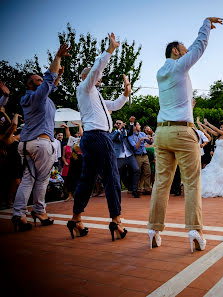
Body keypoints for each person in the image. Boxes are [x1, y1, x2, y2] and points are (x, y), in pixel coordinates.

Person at [148, 17, 223, 253]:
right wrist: (205, 25)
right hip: (182, 131)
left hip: (161, 132)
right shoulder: (178, 65)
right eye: (183, 48)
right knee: (191, 183)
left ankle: (153, 230)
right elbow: (199, 47)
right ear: (174, 50)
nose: (186, 50)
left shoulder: (161, 72)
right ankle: (194, 231)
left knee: (161, 183)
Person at [68, 33, 131, 241]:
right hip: (98, 137)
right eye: (95, 77)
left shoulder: (95, 95)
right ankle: (116, 221)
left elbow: (113, 106)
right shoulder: (85, 88)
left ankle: (76, 219)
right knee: (112, 178)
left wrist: (126, 93)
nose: (99, 79)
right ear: (87, 77)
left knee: (87, 180)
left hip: (92, 139)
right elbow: (96, 70)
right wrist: (110, 50)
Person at [11, 44, 70, 232]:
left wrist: (59, 75)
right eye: (37, 79)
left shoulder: (29, 98)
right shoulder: (37, 96)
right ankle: (39, 210)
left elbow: (51, 85)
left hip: (27, 143)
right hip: (41, 143)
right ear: (31, 84)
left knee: (28, 179)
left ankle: (19, 214)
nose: (41, 79)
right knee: (42, 180)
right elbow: (48, 81)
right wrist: (57, 57)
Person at [110, 119, 140, 198]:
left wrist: (131, 123)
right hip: (119, 157)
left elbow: (130, 132)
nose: (119, 124)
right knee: (117, 174)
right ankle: (117, 191)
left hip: (129, 155)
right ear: (115, 125)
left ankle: (134, 190)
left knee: (136, 169)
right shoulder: (112, 133)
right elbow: (113, 138)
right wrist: (119, 130)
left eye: (121, 123)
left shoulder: (125, 131)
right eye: (118, 123)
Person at [128, 121, 153, 195]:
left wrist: (150, 138)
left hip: (145, 155)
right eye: (138, 125)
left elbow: (150, 143)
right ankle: (137, 189)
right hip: (138, 156)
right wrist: (141, 140)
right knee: (138, 173)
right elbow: (135, 147)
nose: (140, 126)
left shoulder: (142, 133)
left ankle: (147, 189)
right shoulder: (131, 137)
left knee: (147, 172)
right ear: (135, 127)